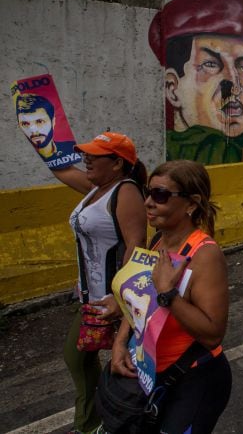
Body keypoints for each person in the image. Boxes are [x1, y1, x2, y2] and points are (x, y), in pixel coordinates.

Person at [111, 160, 232, 432]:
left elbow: (213, 333)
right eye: (148, 192)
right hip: (152, 372)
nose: (148, 203)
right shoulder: (158, 240)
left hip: (194, 377)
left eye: (161, 195)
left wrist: (168, 294)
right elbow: (139, 303)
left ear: (191, 204)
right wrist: (119, 343)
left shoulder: (205, 255)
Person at [50, 131, 148, 434]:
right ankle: (95, 422)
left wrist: (121, 298)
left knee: (134, 365)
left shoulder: (126, 192)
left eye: (95, 155)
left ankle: (104, 422)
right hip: (90, 298)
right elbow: (62, 169)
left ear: (117, 163)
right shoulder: (95, 190)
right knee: (79, 358)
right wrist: (40, 132)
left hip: (112, 299)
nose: (86, 159)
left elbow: (136, 246)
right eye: (85, 153)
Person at [149, 0, 243, 164]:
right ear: (172, 88)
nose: (234, 85)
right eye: (211, 65)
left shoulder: (237, 139)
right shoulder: (192, 152)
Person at [16, 93, 76, 164]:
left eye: (39, 121)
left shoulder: (72, 149)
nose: (33, 130)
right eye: (25, 123)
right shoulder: (21, 157)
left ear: (53, 121)